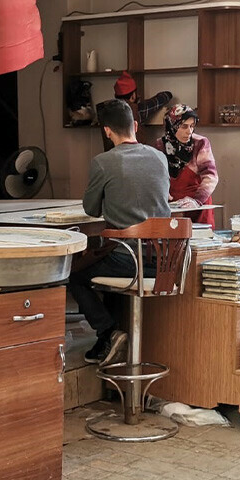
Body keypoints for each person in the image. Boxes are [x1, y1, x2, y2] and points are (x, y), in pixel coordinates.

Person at [70, 100, 171, 366]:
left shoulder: (103, 162)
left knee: (75, 275)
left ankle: (109, 332)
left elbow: (91, 209)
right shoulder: (160, 157)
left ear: (106, 131)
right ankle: (110, 340)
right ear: (135, 126)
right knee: (107, 261)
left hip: (129, 260)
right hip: (165, 262)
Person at [154, 104, 218, 226]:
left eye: (192, 126)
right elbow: (156, 176)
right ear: (172, 125)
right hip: (172, 206)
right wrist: (161, 193)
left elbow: (211, 176)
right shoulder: (160, 145)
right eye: (184, 126)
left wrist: (197, 201)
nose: (189, 131)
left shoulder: (200, 143)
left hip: (198, 205)